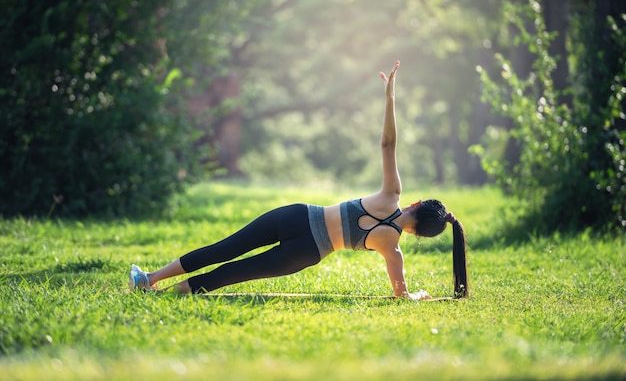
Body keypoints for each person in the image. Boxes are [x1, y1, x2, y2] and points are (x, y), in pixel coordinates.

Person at [129, 61, 468, 300]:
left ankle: (149, 281)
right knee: (232, 273)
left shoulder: (391, 195)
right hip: (307, 251)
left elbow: (388, 144)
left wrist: (390, 98)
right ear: (418, 235)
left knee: (224, 249)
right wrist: (417, 296)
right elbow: (401, 295)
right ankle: (164, 297)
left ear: (417, 203)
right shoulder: (392, 249)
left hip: (298, 216)